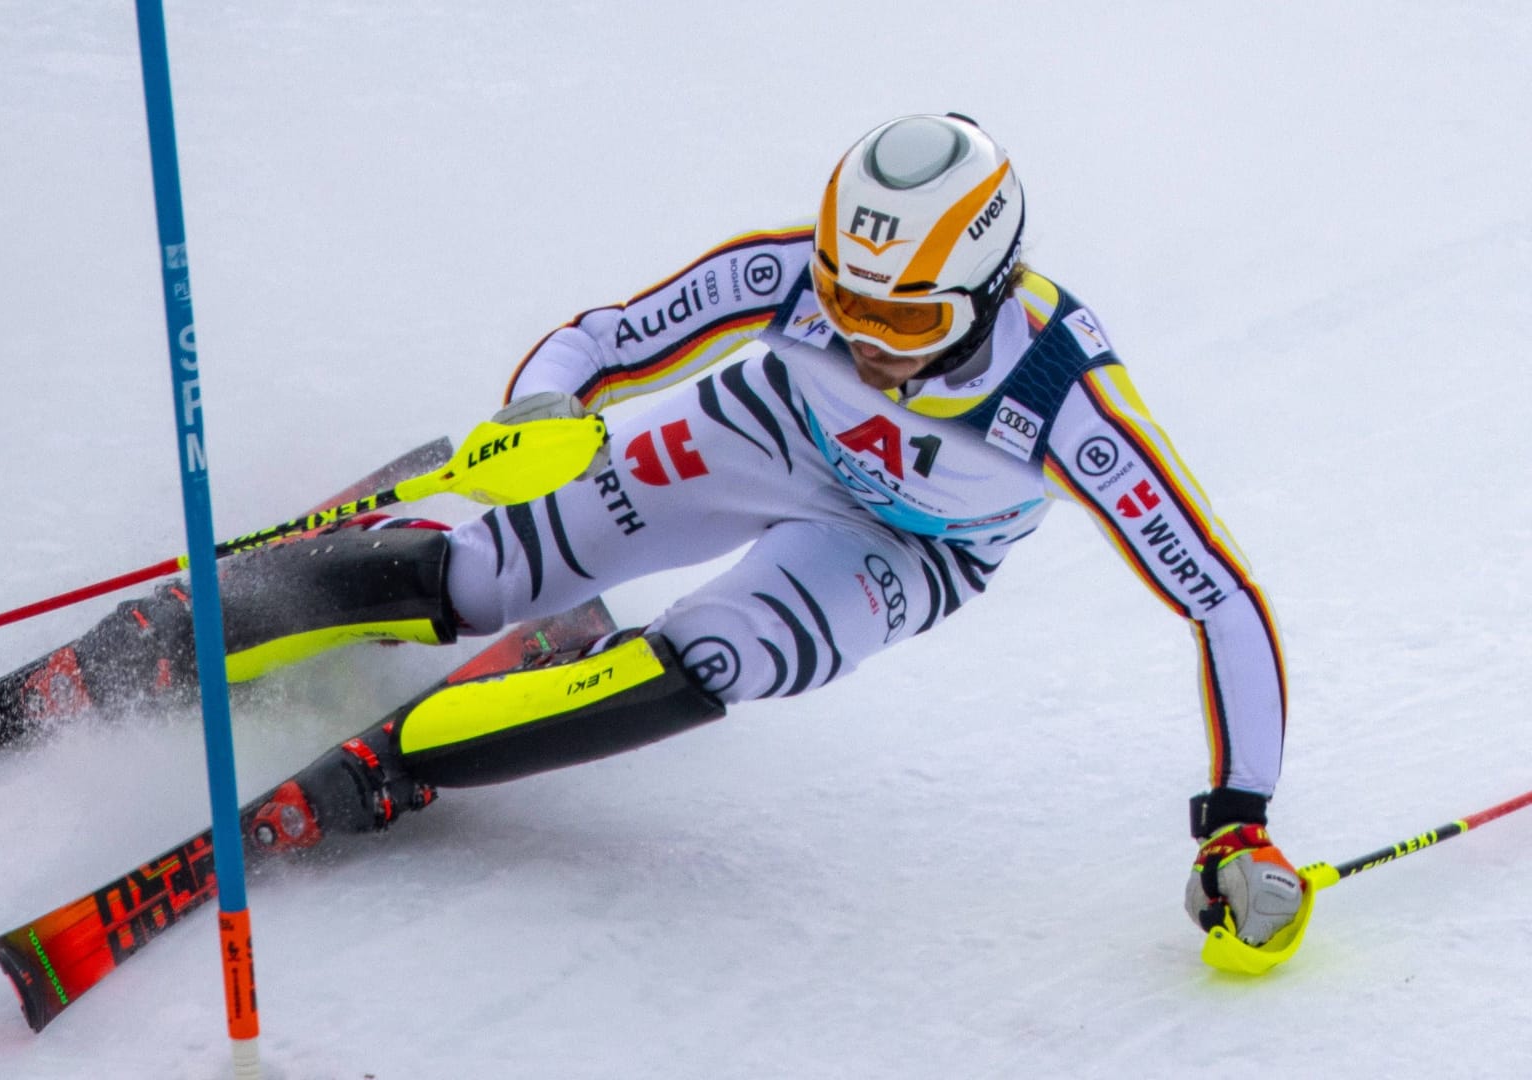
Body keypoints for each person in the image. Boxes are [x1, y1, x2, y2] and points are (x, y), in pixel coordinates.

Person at [73, 113, 1304, 953]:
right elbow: (608, 336)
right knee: (494, 571)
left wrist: (1237, 817)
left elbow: (1222, 598)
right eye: (847, 293)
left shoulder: (1068, 401)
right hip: (762, 428)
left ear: (984, 287)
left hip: (911, 546)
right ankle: (217, 625)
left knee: (723, 652)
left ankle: (413, 759)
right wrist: (547, 410)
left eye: (908, 313)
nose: (867, 330)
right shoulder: (796, 276)